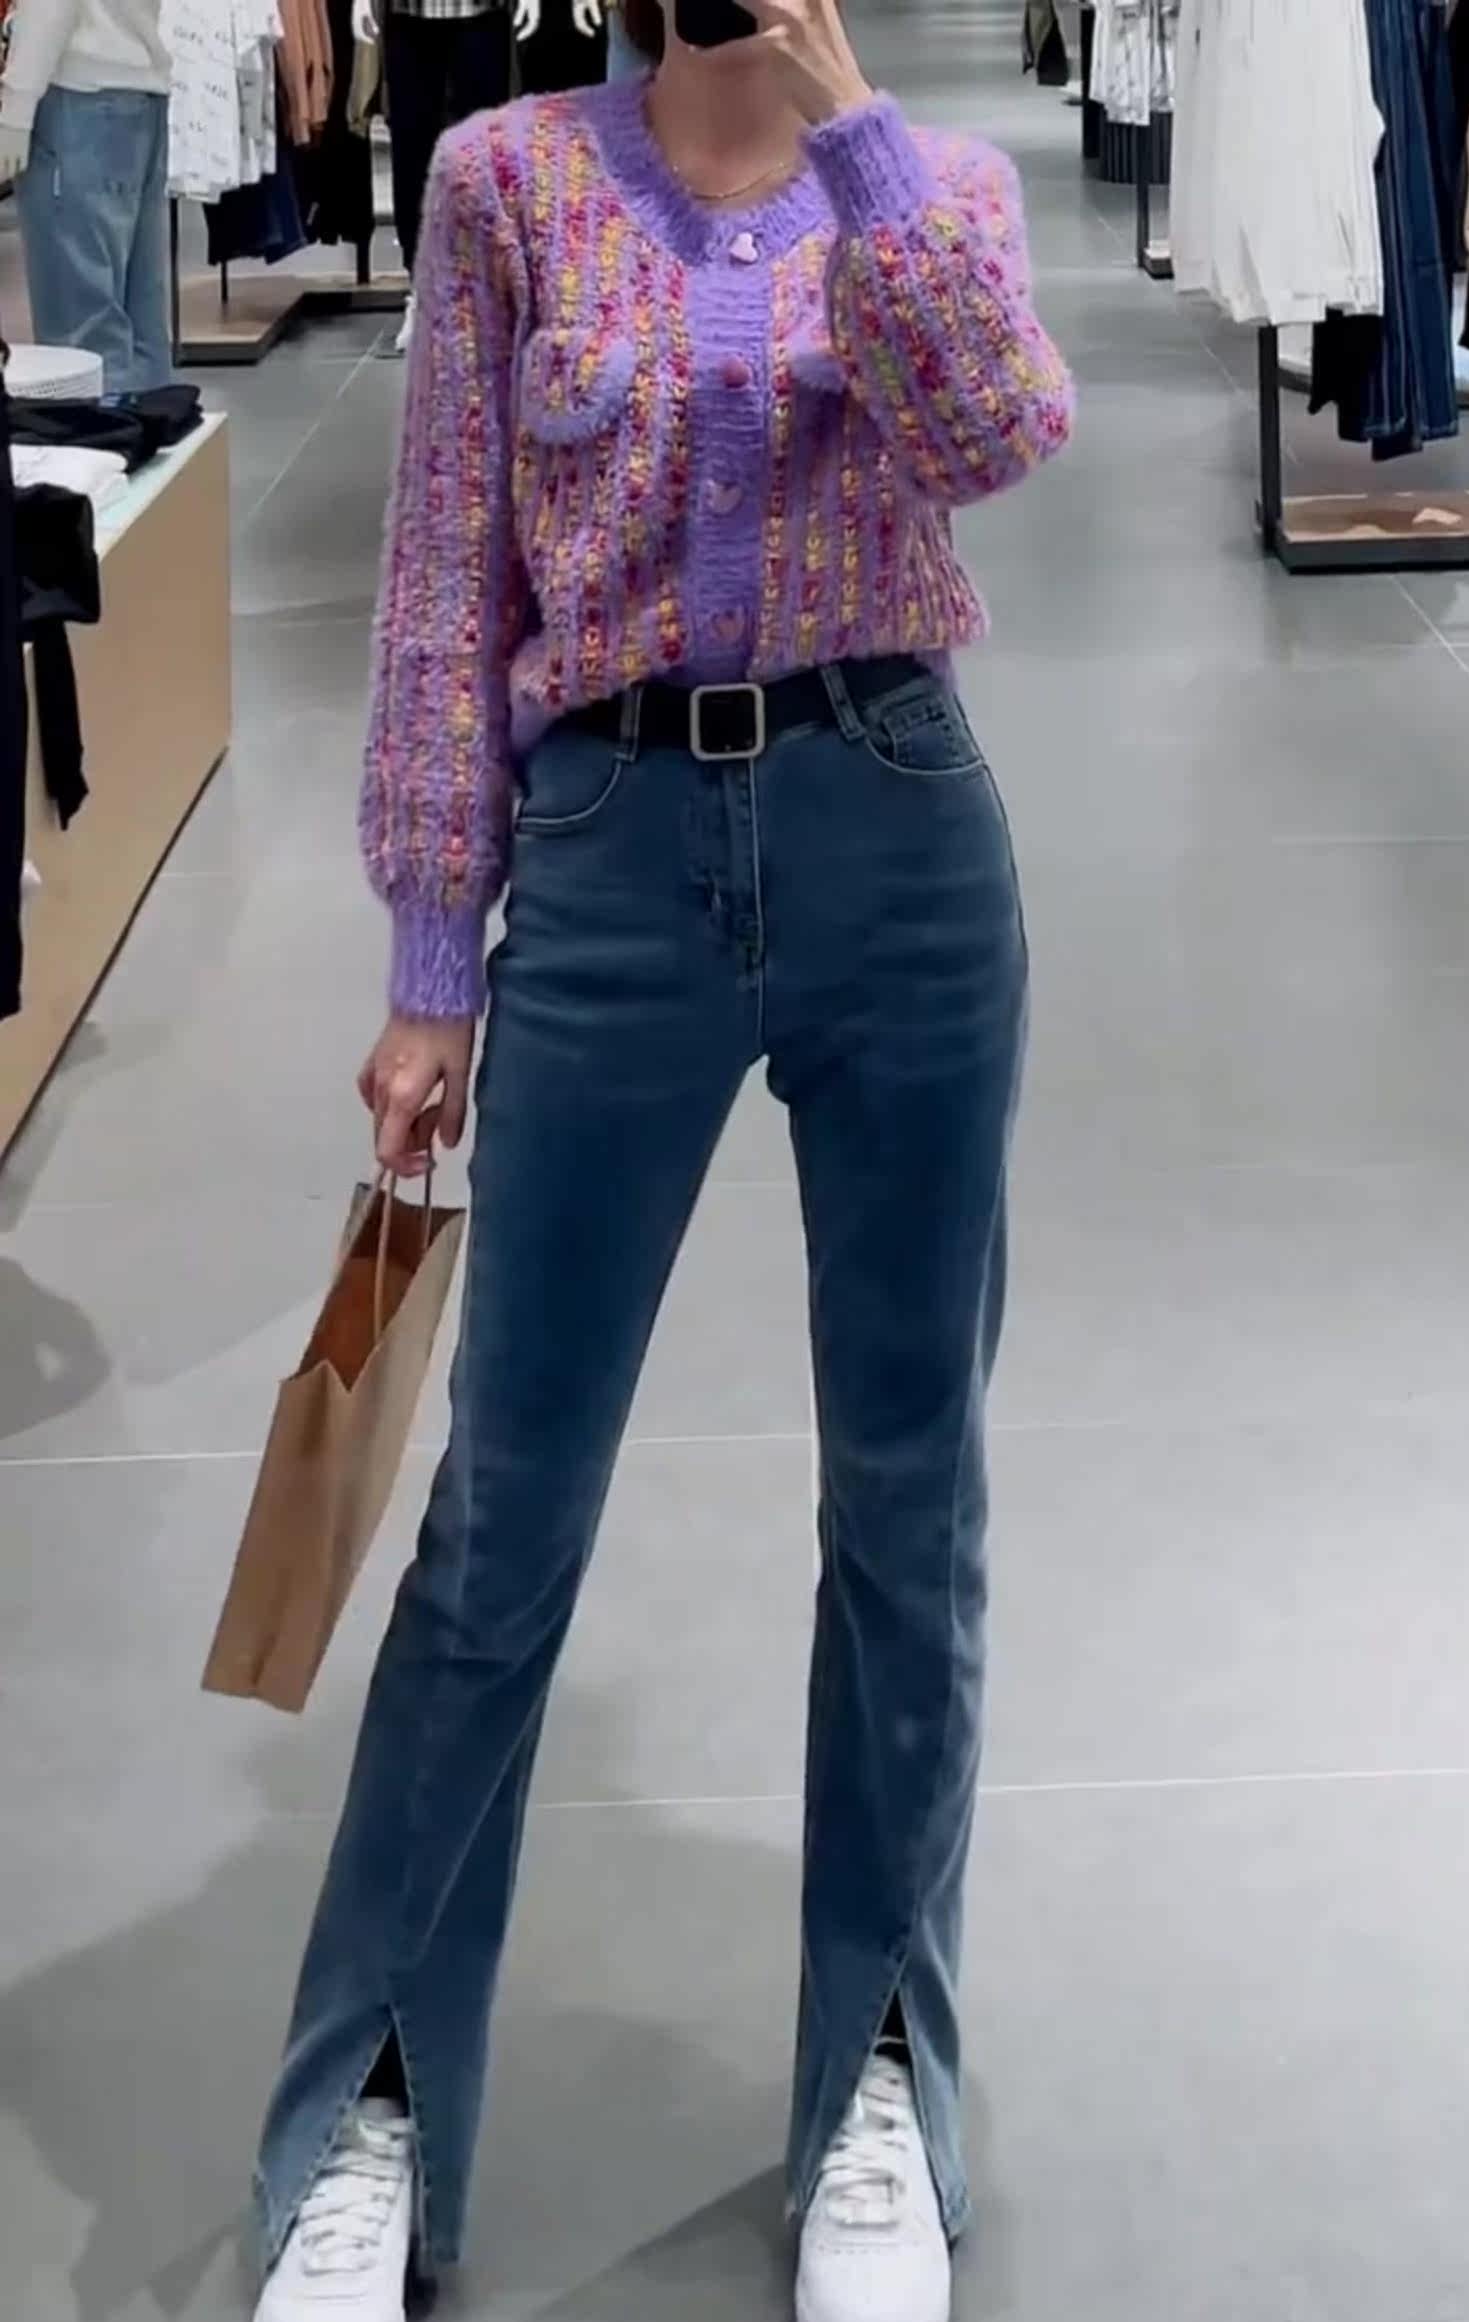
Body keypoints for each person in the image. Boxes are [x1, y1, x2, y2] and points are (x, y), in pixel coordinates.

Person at [251, 0, 1072, 2313]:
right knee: (501, 1513)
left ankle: (883, 2079)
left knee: (909, 1495)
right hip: (607, 859)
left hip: (900, 837)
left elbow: (1003, 431)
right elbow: (445, 582)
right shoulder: (507, 178)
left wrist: (853, 136)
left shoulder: (933, 183)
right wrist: (434, 953)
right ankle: (370, 2113)